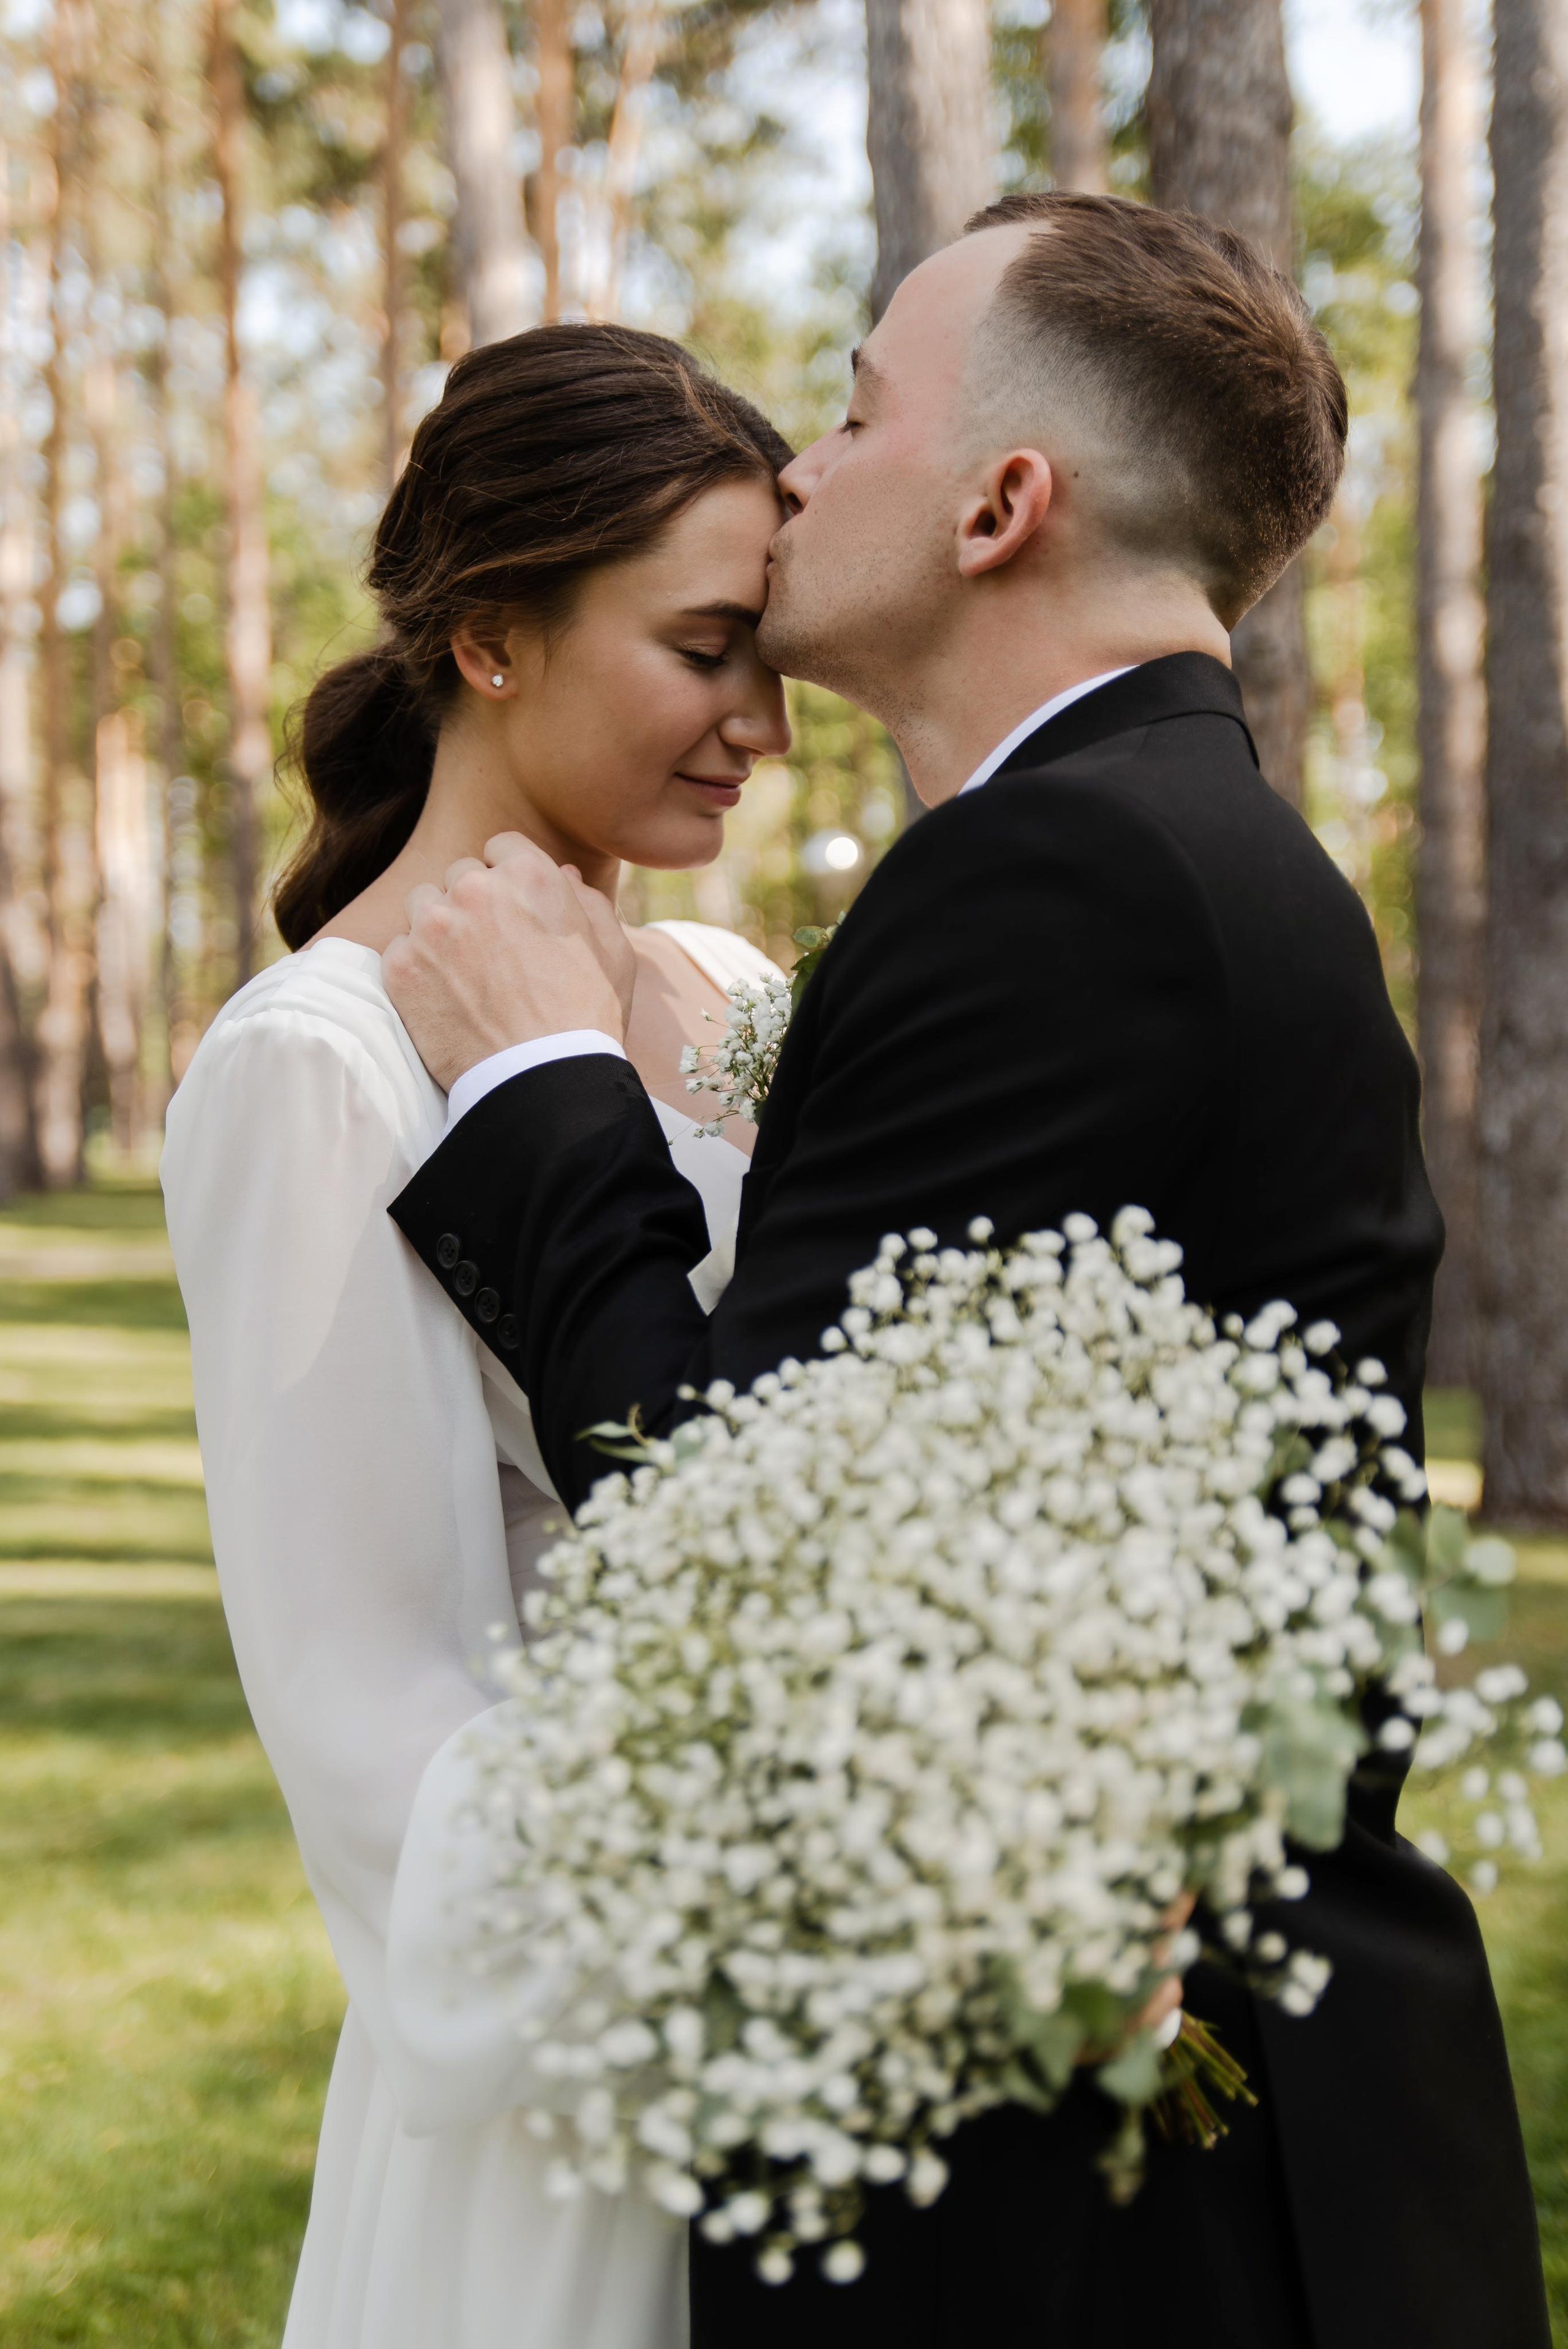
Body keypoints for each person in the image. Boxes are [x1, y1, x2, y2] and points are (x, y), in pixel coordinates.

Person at [383, 196, 1550, 2348]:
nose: (799, 469)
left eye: (852, 409)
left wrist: (549, 1079)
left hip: (1102, 2214)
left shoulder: (1060, 876)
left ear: (1007, 500)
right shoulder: (1189, 846)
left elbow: (749, 1549)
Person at [160, 322, 796, 2349]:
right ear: (495, 638)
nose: (763, 721)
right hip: (574, 2115)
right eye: (705, 649)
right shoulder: (311, 1066)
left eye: (772, 654)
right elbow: (371, 1719)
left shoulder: (728, 978)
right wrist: (780, 1905)